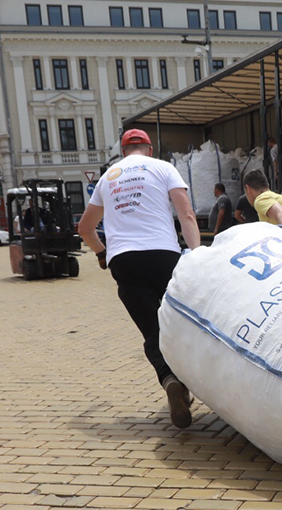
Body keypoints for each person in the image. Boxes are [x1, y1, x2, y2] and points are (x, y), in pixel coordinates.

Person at [77, 128, 201, 429]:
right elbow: (187, 216)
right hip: (163, 256)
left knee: (152, 332)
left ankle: (170, 379)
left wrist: (101, 254)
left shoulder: (108, 177)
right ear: (150, 149)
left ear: (123, 151)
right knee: (181, 323)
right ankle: (195, 382)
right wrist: (197, 255)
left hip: (125, 261)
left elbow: (84, 228)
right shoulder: (163, 168)